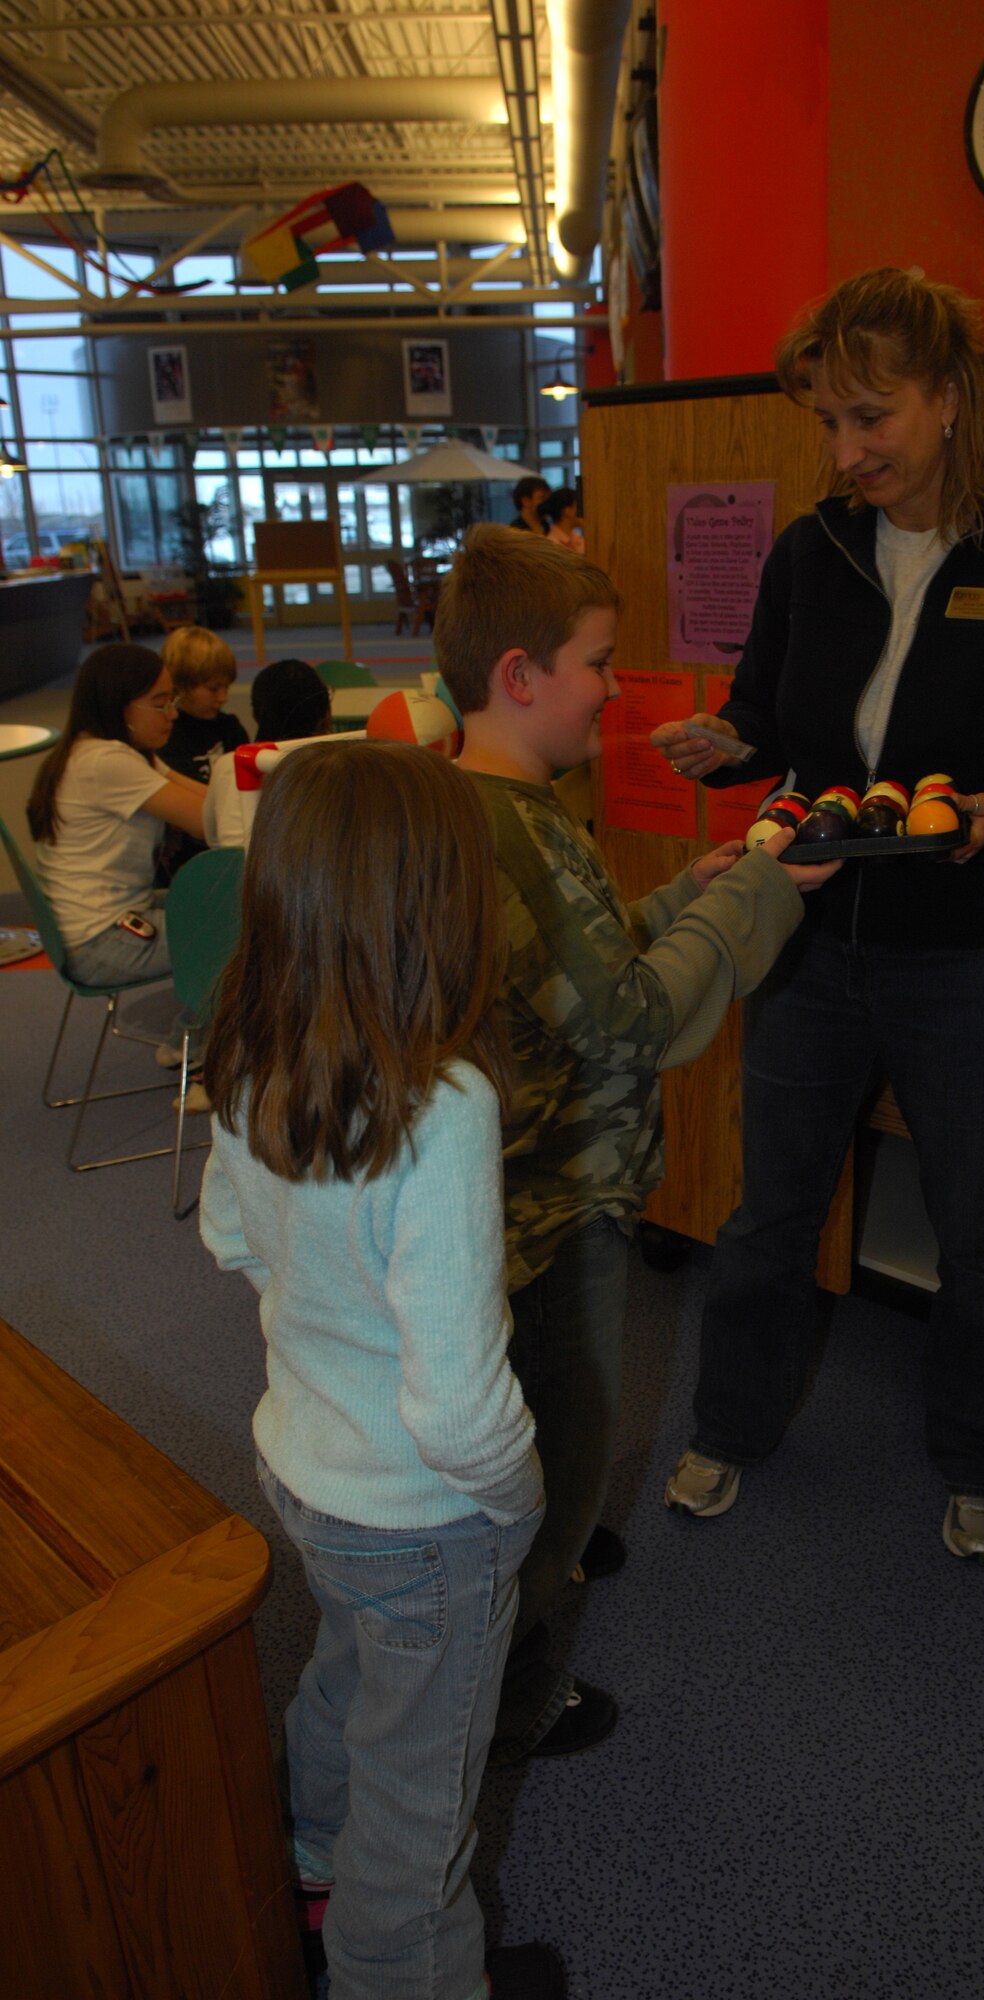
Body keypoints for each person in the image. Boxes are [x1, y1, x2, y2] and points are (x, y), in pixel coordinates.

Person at [650, 266, 984, 1562]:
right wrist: (718, 743)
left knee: (978, 1234)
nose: (847, 453)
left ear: (949, 399)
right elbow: (768, 718)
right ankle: (731, 1426)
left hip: (978, 957)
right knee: (767, 1215)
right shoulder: (815, 549)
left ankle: (976, 1459)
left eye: (871, 417)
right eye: (828, 425)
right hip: (816, 941)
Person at [436, 524, 839, 1758]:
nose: (613, 690)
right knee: (565, 1408)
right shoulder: (519, 824)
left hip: (519, 1185)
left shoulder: (479, 801)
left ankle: (554, 1534)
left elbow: (577, 963)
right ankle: (517, 1684)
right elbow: (634, 1018)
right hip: (557, 1195)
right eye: (598, 663)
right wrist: (759, 894)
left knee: (559, 1403)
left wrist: (688, 891)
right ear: (520, 674)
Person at [199, 741, 566, 2000]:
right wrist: (519, 1502)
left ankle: (304, 1864)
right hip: (424, 1511)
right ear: (437, 899)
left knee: (347, 1672)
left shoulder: (248, 1045)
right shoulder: (441, 1096)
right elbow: (463, 1404)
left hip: (302, 1467)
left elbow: (230, 1232)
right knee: (420, 1818)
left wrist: (324, 1322)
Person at [27, 642, 207, 993]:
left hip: (101, 927)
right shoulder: (106, 762)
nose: (172, 714)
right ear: (119, 706)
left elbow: (207, 797)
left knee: (224, 901)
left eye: (172, 701)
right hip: (102, 943)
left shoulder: (102, 750)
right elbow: (207, 820)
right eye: (160, 703)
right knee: (246, 932)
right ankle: (193, 1040)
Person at [203, 658, 332, 850]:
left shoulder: (228, 764)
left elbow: (212, 839)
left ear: (255, 714)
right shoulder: (329, 769)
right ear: (324, 714)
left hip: (229, 876)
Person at [159, 625, 248, 785]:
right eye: (213, 689)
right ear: (181, 686)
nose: (223, 698)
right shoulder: (168, 737)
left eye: (226, 687)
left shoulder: (230, 727)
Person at [538, 486, 585, 553]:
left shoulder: (579, 540)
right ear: (567, 511)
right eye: (579, 507)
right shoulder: (551, 546)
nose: (584, 512)